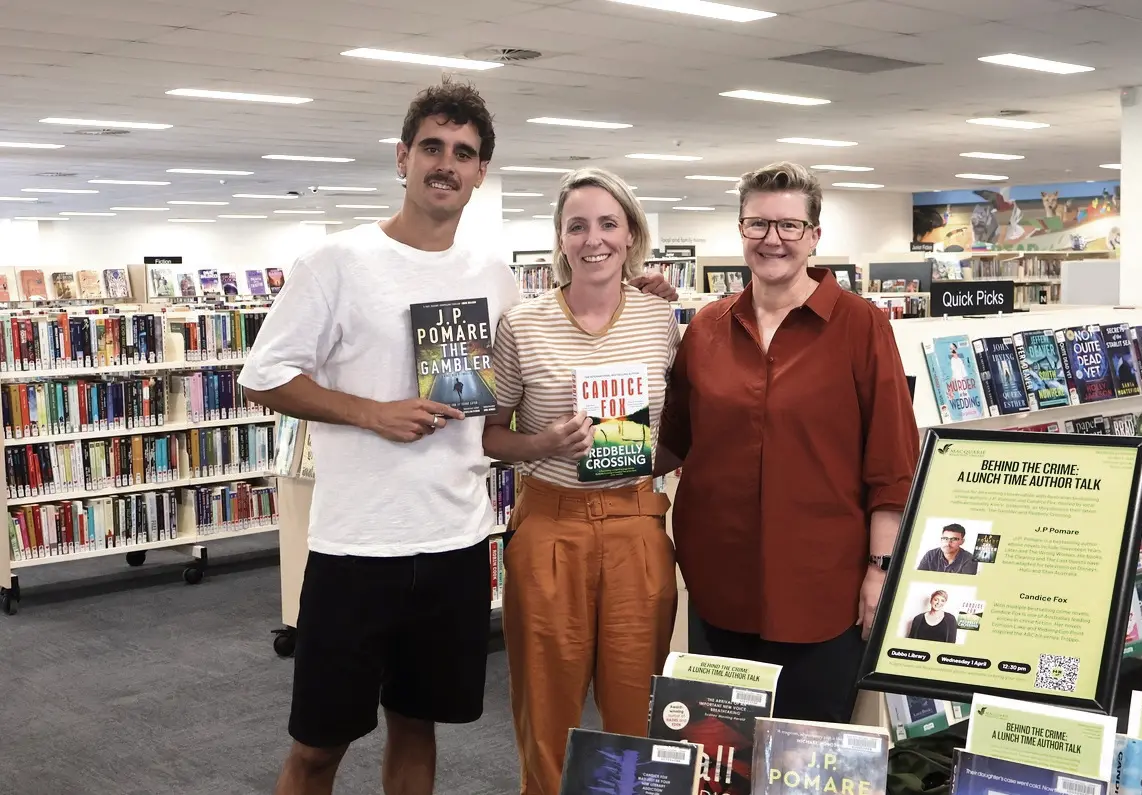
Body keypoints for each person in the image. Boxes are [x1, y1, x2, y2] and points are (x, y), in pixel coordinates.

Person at [237, 78, 677, 795]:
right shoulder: (337, 262)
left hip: (456, 541)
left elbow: (515, 391)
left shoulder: (496, 280)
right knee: (318, 744)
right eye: (433, 148)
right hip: (358, 545)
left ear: (480, 172)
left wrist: (645, 291)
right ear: (403, 157)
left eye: (464, 153)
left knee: (419, 725)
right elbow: (263, 377)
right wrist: (372, 411)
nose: (447, 163)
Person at [656, 161, 920, 724]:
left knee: (807, 759)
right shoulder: (706, 327)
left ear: (814, 236)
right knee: (724, 757)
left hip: (823, 589)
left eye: (789, 226)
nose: (772, 239)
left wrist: (880, 569)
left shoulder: (861, 325)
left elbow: (892, 459)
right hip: (720, 580)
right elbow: (671, 440)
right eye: (757, 225)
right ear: (741, 230)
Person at [483, 167, 680, 795]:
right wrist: (542, 443)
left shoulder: (660, 320)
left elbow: (682, 424)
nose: (592, 239)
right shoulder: (523, 324)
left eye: (607, 224)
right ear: (560, 240)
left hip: (636, 526)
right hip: (550, 524)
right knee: (547, 713)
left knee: (634, 714)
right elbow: (488, 436)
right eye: (577, 226)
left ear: (630, 235)